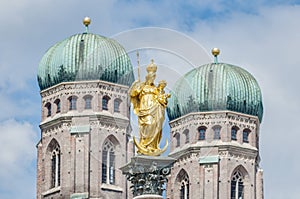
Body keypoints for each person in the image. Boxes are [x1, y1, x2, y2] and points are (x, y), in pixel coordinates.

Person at [129, 61, 169, 156]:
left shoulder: (156, 89)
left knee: (157, 124)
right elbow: (133, 94)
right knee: (147, 124)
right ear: (147, 78)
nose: (152, 79)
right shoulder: (142, 87)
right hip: (145, 108)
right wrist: (136, 86)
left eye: (153, 78)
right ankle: (145, 144)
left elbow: (162, 100)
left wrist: (163, 95)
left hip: (156, 109)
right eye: (151, 78)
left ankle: (153, 146)